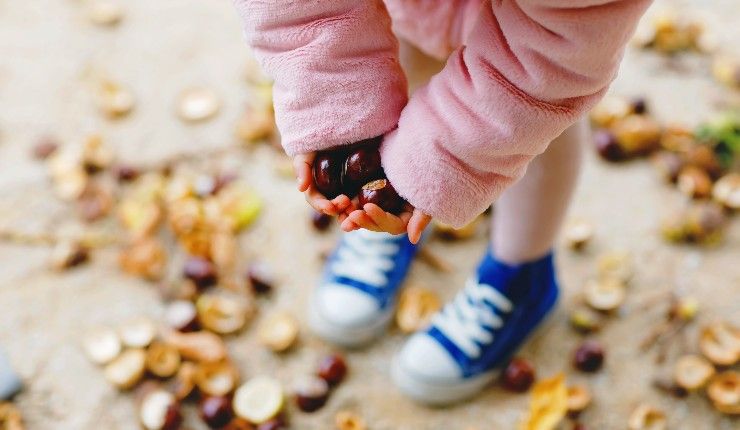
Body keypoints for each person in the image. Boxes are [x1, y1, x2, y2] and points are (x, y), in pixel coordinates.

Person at [234, 0, 651, 405]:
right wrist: (336, 99)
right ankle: (385, 199)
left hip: (555, 29)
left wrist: (444, 163)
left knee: (537, 130)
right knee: (407, 50)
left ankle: (522, 273)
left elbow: (555, 52)